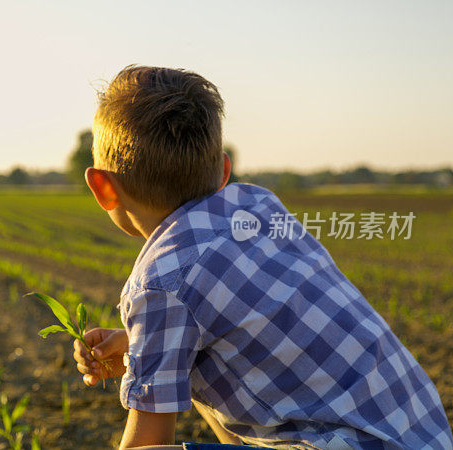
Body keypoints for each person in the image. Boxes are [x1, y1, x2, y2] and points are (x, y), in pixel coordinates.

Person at [72, 65, 453, 449]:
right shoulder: (257, 206)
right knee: (198, 366)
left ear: (102, 187)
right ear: (224, 172)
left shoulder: (162, 284)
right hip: (425, 436)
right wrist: (140, 346)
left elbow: (143, 444)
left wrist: (151, 344)